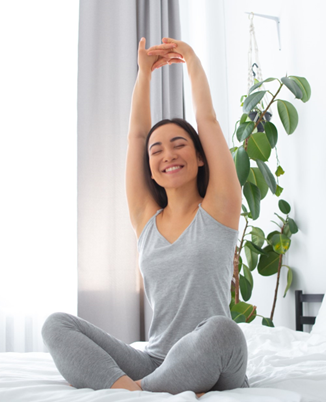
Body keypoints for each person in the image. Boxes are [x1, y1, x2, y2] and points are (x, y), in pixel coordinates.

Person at [41, 37, 249, 397]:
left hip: (213, 363)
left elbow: (208, 120)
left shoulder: (219, 208)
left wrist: (193, 61)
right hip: (157, 362)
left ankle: (135, 392)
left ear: (201, 157)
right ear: (150, 169)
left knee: (222, 330)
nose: (168, 153)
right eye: (158, 150)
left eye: (179, 143)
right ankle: (135, 391)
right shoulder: (146, 218)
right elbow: (136, 135)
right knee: (56, 325)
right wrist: (144, 75)